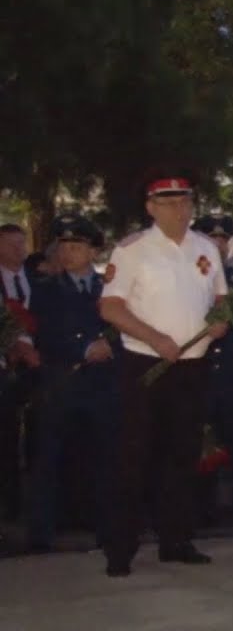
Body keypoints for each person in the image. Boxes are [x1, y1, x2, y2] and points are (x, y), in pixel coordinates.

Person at [98, 173, 229, 577]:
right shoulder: (134, 249)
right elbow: (111, 308)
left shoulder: (205, 247)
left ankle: (176, 539)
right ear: (151, 207)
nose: (180, 210)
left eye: (185, 202)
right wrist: (155, 338)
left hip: (194, 365)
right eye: (170, 203)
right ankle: (121, 548)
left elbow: (222, 295)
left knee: (183, 455)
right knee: (136, 456)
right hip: (146, 367)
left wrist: (222, 319)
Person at [26, 214, 119, 553]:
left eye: (77, 246)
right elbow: (43, 332)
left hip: (102, 385)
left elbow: (128, 324)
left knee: (106, 458)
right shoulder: (45, 289)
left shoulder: (110, 288)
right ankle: (41, 532)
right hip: (62, 382)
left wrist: (112, 346)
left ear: (93, 251)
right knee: (48, 458)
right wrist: (82, 347)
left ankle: (108, 528)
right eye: (64, 246)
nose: (68, 253)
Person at [192, 213, 233, 532]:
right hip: (199, 372)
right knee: (200, 446)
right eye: (210, 239)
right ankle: (200, 513)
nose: (217, 245)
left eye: (222, 240)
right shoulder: (190, 278)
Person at [0, 222, 37, 523]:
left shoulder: (36, 278)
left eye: (21, 244)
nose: (18, 250)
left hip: (37, 367)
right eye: (11, 244)